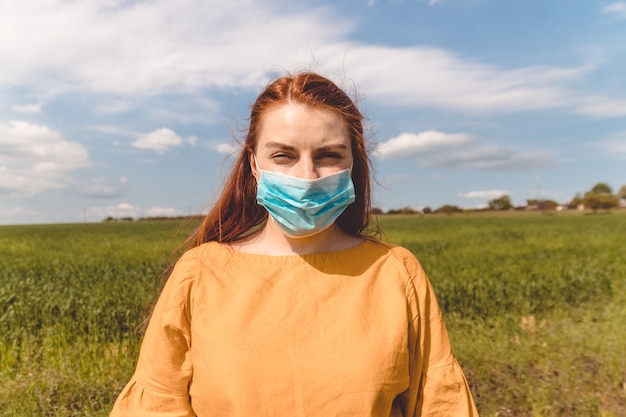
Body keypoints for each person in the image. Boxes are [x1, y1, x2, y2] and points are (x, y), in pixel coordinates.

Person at [110, 72, 479, 416]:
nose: (307, 176)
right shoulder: (200, 273)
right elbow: (157, 404)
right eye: (283, 156)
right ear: (254, 165)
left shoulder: (396, 272)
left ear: (353, 163)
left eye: (328, 155)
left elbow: (440, 404)